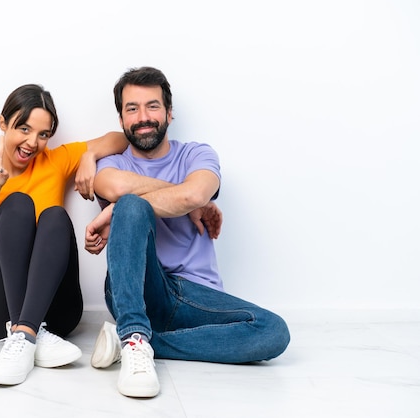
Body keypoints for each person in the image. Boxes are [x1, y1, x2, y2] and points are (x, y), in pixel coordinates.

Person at [84, 67, 291, 398]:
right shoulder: (113, 165)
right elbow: (118, 186)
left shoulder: (197, 154)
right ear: (121, 120)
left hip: (196, 295)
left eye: (152, 106)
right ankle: (135, 332)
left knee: (273, 331)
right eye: (132, 108)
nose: (143, 117)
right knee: (130, 206)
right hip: (140, 289)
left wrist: (119, 208)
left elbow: (196, 194)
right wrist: (135, 205)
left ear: (168, 112)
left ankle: (134, 343)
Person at [0, 83, 128, 386]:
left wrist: (89, 156)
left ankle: (25, 334)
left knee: (56, 217)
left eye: (43, 134)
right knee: (18, 204)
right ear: (3, 124)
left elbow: (121, 139)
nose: (32, 142)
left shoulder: (55, 161)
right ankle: (28, 331)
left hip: (56, 311)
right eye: (23, 128)